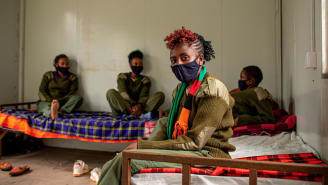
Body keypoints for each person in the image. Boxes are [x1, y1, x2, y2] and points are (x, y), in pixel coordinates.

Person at [98, 27, 236, 185]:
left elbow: (195, 142)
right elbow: (168, 123)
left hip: (207, 154)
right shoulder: (181, 89)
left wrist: (142, 145)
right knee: (116, 161)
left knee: (126, 160)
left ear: (200, 59)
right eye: (174, 60)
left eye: (184, 57)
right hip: (185, 149)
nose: (179, 64)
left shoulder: (213, 90)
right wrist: (143, 149)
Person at [106, 50, 165, 117]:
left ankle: (136, 114)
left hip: (140, 108)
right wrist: (132, 107)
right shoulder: (122, 76)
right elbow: (123, 93)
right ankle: (136, 114)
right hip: (123, 109)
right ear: (130, 64)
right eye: (135, 64)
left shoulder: (145, 80)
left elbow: (143, 97)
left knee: (160, 95)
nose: (138, 66)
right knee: (110, 92)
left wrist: (139, 106)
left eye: (140, 64)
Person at [38, 54, 83, 119]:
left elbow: (72, 93)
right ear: (56, 65)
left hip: (64, 103)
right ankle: (52, 113)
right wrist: (52, 101)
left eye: (67, 64)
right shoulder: (48, 75)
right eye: (62, 64)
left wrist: (59, 101)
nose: (65, 66)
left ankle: (60, 111)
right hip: (48, 102)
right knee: (43, 105)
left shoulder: (73, 77)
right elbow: (41, 90)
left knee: (78, 98)